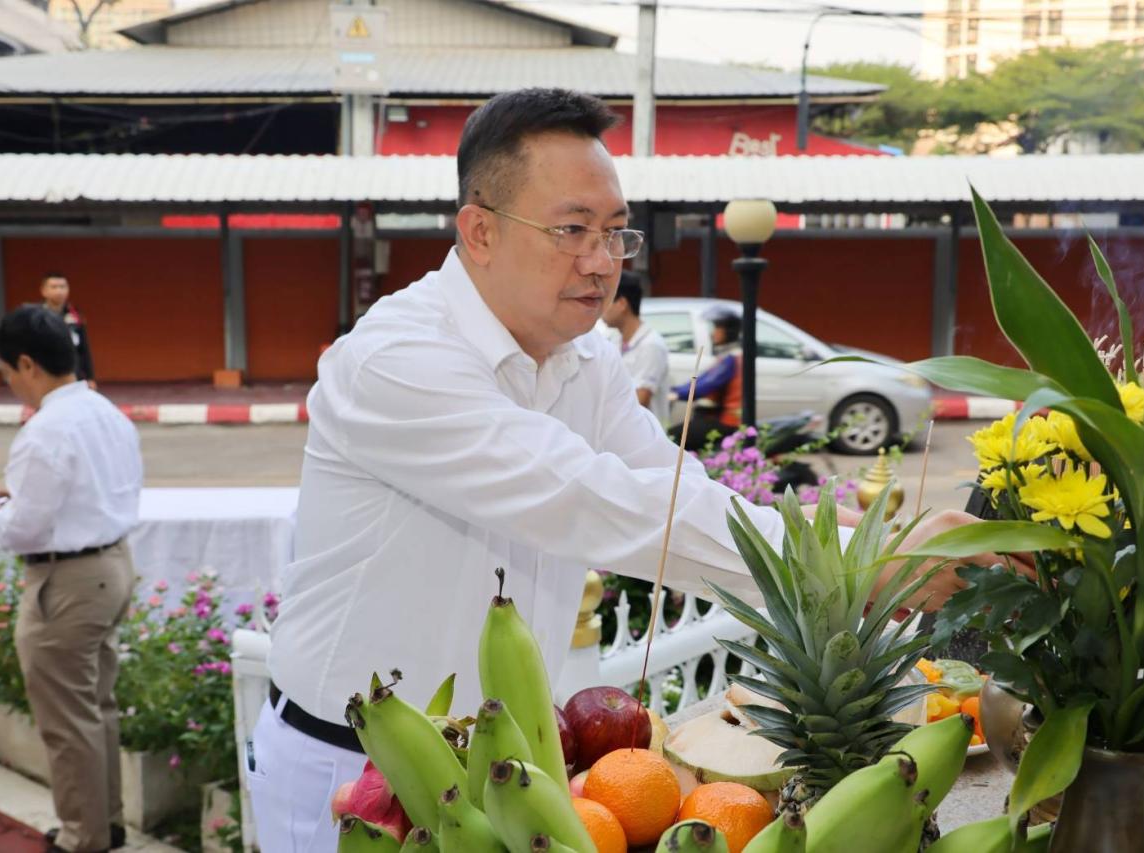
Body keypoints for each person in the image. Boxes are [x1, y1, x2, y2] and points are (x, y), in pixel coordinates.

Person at [249, 87, 1019, 853]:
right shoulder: (397, 361)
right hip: (352, 770)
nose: (599, 262)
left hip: (514, 774)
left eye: (615, 233)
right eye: (571, 230)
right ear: (479, 231)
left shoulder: (586, 356)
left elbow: (673, 490)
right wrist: (874, 564)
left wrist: (883, 534)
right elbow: (598, 502)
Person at [0, 306, 141, 853]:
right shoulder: (106, 412)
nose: (11, 384)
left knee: (66, 722)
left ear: (27, 364)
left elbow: (25, 530)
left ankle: (81, 837)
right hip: (111, 567)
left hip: (66, 582)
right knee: (97, 707)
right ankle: (104, 823)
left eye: (9, 373)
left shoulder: (45, 430)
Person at [601, 270, 671, 427]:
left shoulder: (651, 344)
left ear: (622, 304)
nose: (601, 309)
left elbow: (641, 399)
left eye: (606, 301)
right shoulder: (613, 339)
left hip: (644, 435)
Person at [671, 306, 743, 449]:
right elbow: (699, 381)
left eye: (717, 328)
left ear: (728, 331)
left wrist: (677, 394)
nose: (712, 333)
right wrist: (673, 390)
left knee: (671, 437)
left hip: (724, 423)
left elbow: (704, 386)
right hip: (714, 418)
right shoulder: (727, 356)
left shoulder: (732, 358)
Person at [40, 272, 96, 388]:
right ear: (43, 291)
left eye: (62, 287)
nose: (59, 291)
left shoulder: (74, 316)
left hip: (74, 375)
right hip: (46, 376)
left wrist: (90, 377)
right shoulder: (36, 317)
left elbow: (84, 348)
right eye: (54, 287)